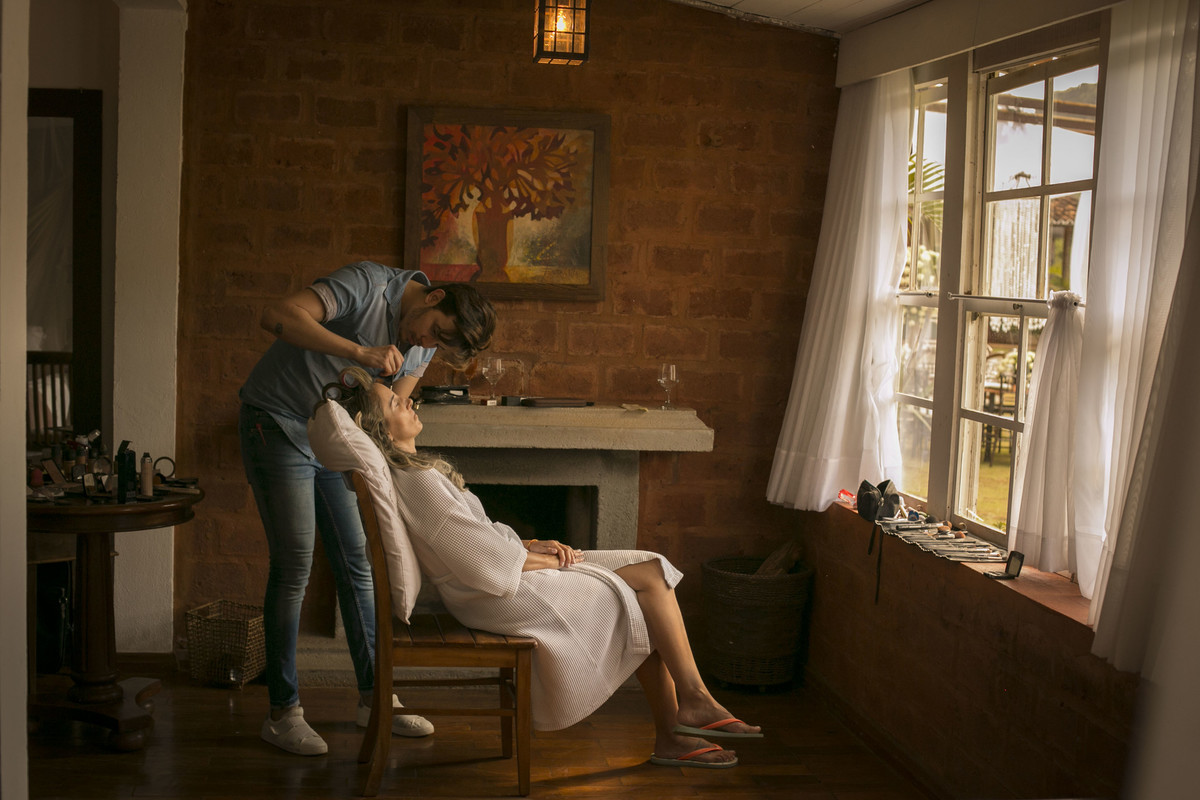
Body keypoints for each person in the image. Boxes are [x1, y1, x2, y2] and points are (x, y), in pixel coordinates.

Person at [328, 365, 763, 768]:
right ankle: (691, 707)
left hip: (498, 580)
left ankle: (680, 722)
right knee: (647, 581)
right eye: (392, 402)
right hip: (497, 595)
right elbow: (481, 562)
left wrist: (531, 543)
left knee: (650, 569)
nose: (406, 400)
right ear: (379, 430)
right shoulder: (418, 482)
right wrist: (544, 559)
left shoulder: (419, 473)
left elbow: (473, 539)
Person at [238, 261, 496, 756]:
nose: (427, 344)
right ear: (434, 297)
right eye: (434, 333)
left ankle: (376, 699)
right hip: (277, 422)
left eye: (439, 345)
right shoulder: (366, 287)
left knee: (359, 562)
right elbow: (277, 315)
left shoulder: (421, 345)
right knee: (294, 564)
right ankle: (282, 712)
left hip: (334, 438)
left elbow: (387, 412)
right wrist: (357, 352)